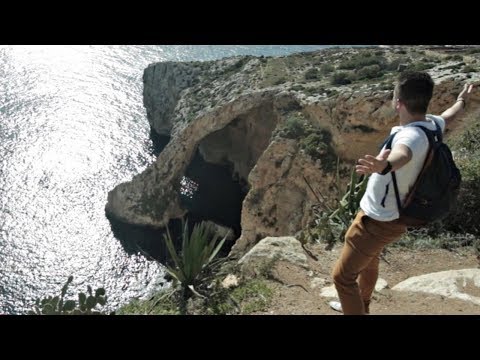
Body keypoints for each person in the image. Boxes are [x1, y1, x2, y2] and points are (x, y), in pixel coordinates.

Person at [330, 71, 475, 315]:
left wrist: (384, 165)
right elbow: (449, 116)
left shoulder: (411, 135)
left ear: (398, 102)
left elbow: (403, 154)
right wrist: (461, 100)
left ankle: (355, 307)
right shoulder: (430, 125)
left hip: (378, 220)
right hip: (388, 216)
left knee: (342, 278)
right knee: (369, 263)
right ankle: (360, 305)